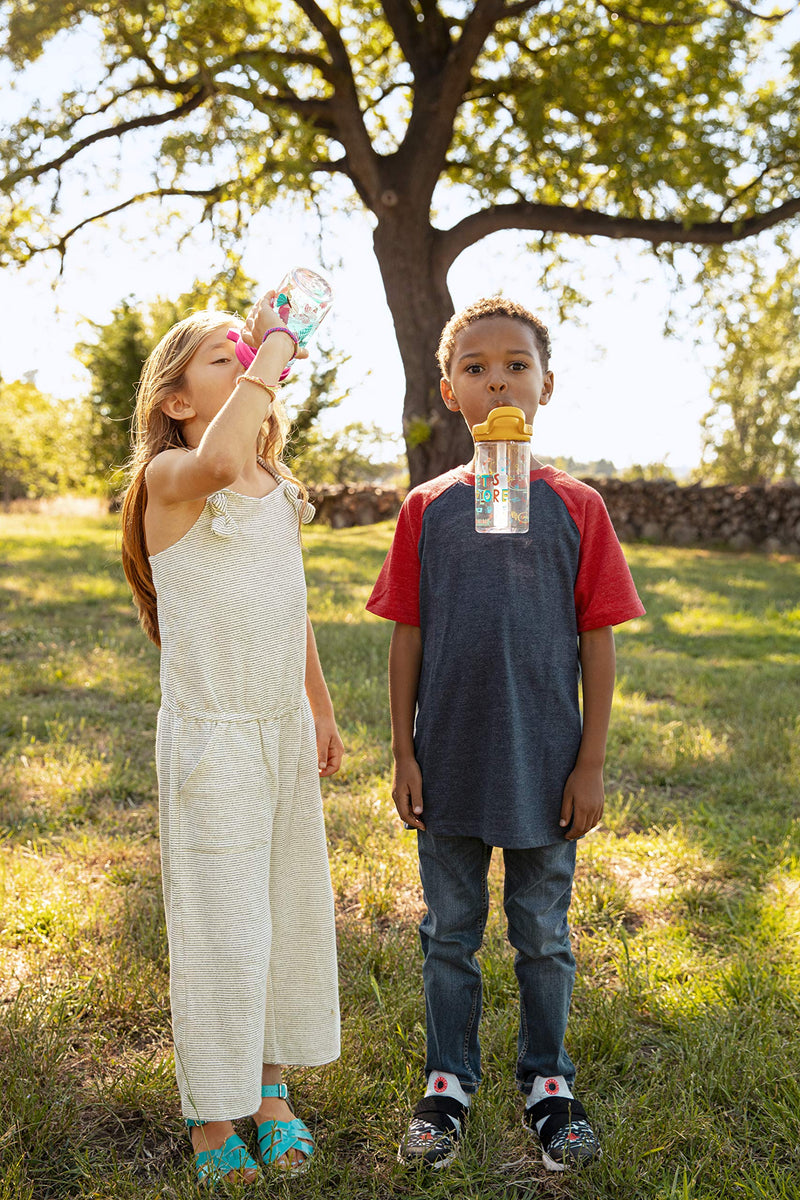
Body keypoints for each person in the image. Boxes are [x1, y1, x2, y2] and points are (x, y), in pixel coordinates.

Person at [366, 296, 645, 1172]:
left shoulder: (577, 507)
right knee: (449, 931)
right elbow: (405, 634)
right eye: (476, 367)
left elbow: (596, 644)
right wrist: (404, 752)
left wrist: (590, 763)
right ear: (449, 391)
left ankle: (547, 1083)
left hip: (544, 765)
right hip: (447, 761)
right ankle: (447, 1081)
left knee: (543, 934)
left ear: (546, 385)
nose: (497, 379)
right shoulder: (428, 508)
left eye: (515, 365)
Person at [120, 296, 342, 1187]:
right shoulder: (174, 476)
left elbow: (294, 611)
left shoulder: (277, 488)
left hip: (278, 729)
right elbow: (219, 457)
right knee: (222, 924)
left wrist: (317, 707)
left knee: (286, 909)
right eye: (228, 356)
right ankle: (214, 1114)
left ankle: (272, 1088)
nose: (249, 361)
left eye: (250, 355)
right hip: (212, 735)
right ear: (176, 398)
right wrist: (277, 341)